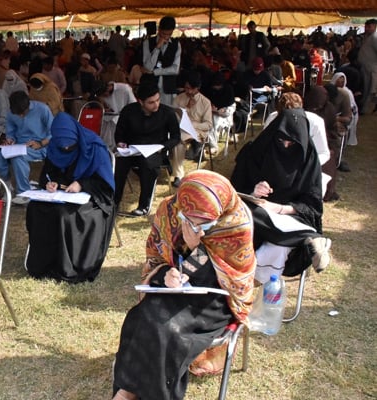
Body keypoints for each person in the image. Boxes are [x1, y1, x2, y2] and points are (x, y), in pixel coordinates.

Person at [112, 170, 256, 400]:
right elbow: (156, 256)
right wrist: (166, 275)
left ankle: (131, 393)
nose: (195, 227)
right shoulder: (169, 210)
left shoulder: (236, 223)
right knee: (141, 316)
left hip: (215, 298)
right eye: (189, 220)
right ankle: (128, 390)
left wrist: (196, 248)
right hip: (174, 290)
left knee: (170, 329)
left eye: (204, 223)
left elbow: (234, 279)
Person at [230, 108, 332, 283]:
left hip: (291, 216)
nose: (285, 147)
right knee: (246, 211)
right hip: (257, 213)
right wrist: (254, 191)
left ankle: (306, 237)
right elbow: (233, 192)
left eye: (291, 144)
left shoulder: (308, 160)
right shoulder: (256, 152)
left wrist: (279, 208)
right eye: (280, 140)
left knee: (254, 216)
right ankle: (309, 239)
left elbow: (312, 207)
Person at [25, 112, 115, 283]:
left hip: (91, 195)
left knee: (64, 215)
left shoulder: (94, 147)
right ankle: (43, 263)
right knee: (35, 208)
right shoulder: (54, 147)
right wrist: (50, 184)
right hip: (61, 195)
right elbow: (48, 174)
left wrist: (81, 184)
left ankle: (68, 265)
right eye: (62, 147)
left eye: (70, 146)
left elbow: (105, 184)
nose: (66, 149)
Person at [114, 79, 181, 216]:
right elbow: (119, 133)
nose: (156, 104)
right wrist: (120, 143)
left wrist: (163, 147)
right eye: (151, 102)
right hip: (132, 150)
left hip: (156, 151)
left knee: (148, 165)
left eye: (158, 100)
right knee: (119, 164)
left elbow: (176, 137)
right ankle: (113, 203)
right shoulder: (128, 111)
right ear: (141, 102)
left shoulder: (167, 112)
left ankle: (143, 206)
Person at [0, 91, 53, 204]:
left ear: (28, 105)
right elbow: (11, 132)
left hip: (40, 146)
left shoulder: (42, 109)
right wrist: (10, 140)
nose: (20, 116)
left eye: (23, 113)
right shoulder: (11, 113)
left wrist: (40, 143)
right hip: (19, 145)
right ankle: (8, 187)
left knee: (18, 157)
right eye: (17, 114)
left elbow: (53, 132)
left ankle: (24, 192)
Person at [172, 72, 213, 177]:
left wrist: (193, 125)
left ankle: (194, 149)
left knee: (178, 138)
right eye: (186, 88)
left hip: (198, 132)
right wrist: (186, 108)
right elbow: (173, 117)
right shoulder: (179, 98)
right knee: (178, 142)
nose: (188, 91)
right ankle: (178, 175)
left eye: (191, 89)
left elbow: (208, 125)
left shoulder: (205, 102)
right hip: (180, 130)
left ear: (197, 88)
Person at [141, 16, 181, 106]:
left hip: (168, 88)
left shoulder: (176, 45)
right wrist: (157, 48)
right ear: (159, 29)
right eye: (163, 34)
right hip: (151, 87)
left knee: (168, 112)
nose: (166, 37)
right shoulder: (147, 43)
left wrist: (155, 72)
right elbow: (148, 67)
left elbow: (175, 69)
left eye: (169, 34)